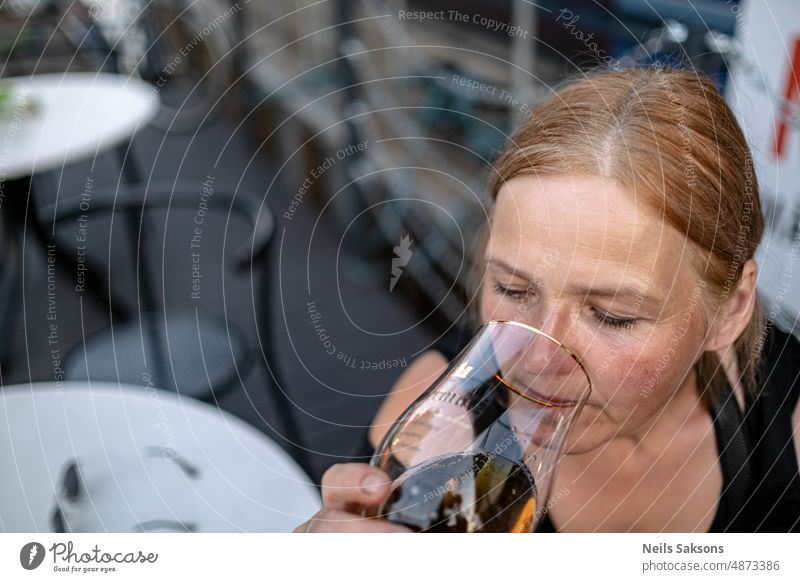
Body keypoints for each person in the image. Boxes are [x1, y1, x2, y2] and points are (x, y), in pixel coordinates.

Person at [295, 67, 800, 533]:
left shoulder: (786, 423)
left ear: (729, 311)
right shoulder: (437, 429)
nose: (537, 359)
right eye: (513, 289)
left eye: (612, 316)